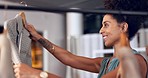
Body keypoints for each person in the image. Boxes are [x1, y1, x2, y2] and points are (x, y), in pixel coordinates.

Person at [13, 0, 148, 78]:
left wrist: (37, 74)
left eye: (106, 25)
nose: (101, 30)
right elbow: (69, 58)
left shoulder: (136, 61)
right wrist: (38, 37)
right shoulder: (105, 63)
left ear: (123, 27)